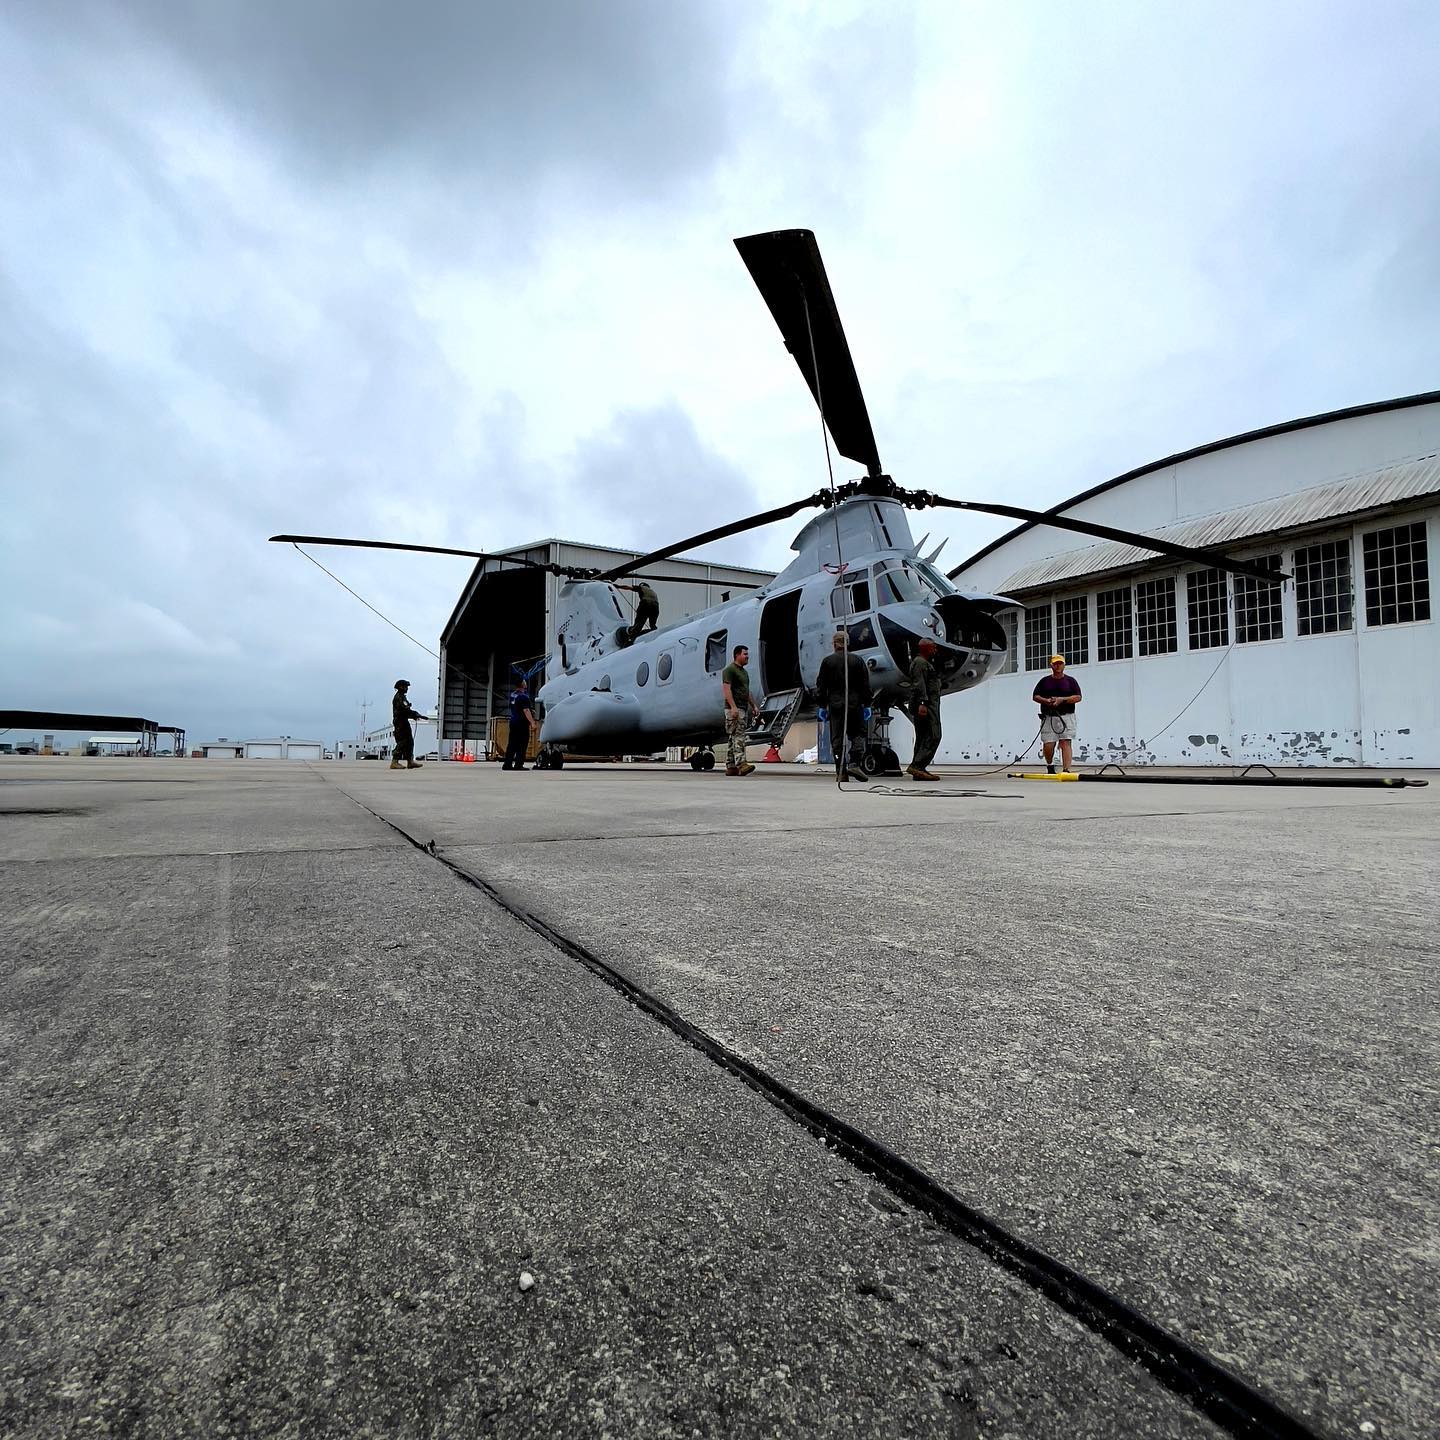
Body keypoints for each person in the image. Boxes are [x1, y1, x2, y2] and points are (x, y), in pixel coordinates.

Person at [814, 631, 872, 783]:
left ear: (834, 644)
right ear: (847, 643)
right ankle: (854, 762)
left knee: (837, 740)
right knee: (858, 735)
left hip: (836, 706)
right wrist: (867, 705)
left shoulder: (827, 661)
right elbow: (865, 686)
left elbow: (821, 686)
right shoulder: (858, 660)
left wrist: (822, 706)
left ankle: (841, 771)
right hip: (855, 705)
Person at [900, 639, 942, 781]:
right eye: (933, 647)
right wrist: (923, 703)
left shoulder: (924, 663)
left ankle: (919, 769)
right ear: (926, 648)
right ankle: (917, 765)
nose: (935, 650)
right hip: (926, 706)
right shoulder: (920, 663)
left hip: (927, 704)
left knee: (923, 736)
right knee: (934, 735)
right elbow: (919, 684)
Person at [1033, 654, 1082, 773]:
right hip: (1049, 716)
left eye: (1060, 663)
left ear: (1064, 665)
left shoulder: (1070, 681)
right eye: (1055, 663)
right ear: (1051, 665)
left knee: (1066, 741)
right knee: (1048, 744)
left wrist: (1062, 700)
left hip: (1067, 716)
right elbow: (1035, 696)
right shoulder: (1044, 681)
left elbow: (1078, 697)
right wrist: (1046, 701)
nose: (1058, 665)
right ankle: (1050, 765)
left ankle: (1066, 770)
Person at [720, 643, 761, 776]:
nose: (747, 657)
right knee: (739, 736)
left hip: (742, 707)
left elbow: (746, 691)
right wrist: (733, 707)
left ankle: (731, 766)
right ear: (737, 655)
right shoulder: (729, 670)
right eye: (745, 654)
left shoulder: (744, 672)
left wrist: (753, 705)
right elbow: (726, 690)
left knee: (733, 737)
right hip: (735, 709)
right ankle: (741, 764)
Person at [390, 680, 426, 770]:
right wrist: (414, 714)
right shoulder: (399, 698)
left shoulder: (402, 697)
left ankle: (410, 761)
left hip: (404, 721)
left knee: (409, 741)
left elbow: (406, 711)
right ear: (401, 687)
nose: (407, 689)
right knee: (402, 741)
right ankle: (394, 762)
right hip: (400, 722)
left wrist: (415, 715)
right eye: (406, 687)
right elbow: (404, 711)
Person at [504, 677, 537, 771]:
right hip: (521, 723)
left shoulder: (513, 695)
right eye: (524, 681)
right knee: (522, 745)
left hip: (513, 721)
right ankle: (518, 764)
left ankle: (507, 764)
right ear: (522, 684)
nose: (525, 682)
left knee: (512, 744)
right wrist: (532, 723)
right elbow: (526, 710)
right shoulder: (523, 697)